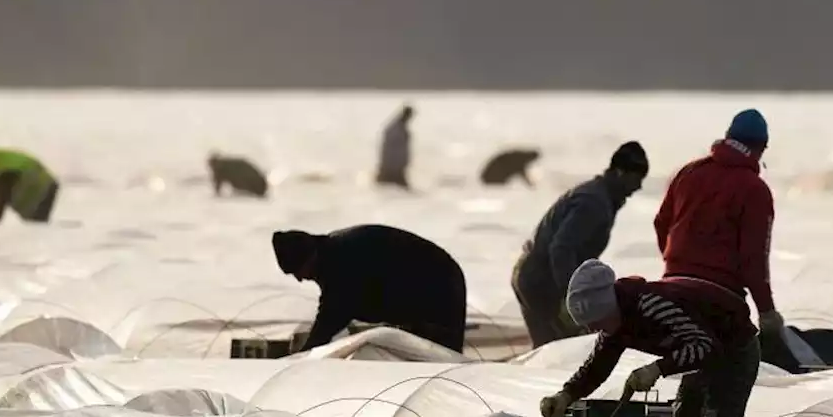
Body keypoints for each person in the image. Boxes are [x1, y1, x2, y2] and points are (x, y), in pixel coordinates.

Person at [538, 259, 760, 417]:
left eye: (598, 322)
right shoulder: (616, 323)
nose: (597, 330)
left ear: (609, 307)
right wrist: (566, 395)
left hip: (734, 351)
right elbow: (597, 367)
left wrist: (657, 369)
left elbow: (705, 346)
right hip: (701, 357)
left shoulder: (653, 306)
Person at [653, 109, 804, 370]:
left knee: (693, 363)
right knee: (739, 366)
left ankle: (688, 409)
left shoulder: (687, 173)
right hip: (719, 297)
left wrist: (677, 270)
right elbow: (753, 259)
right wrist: (766, 311)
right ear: (761, 148)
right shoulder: (754, 189)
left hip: (672, 289)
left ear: (727, 138)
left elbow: (660, 224)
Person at [511, 142, 649, 348]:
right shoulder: (593, 203)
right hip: (541, 282)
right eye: (636, 179)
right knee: (565, 351)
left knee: (547, 349)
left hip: (530, 276)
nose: (638, 187)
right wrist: (571, 297)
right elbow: (561, 248)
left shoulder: (599, 197)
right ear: (620, 173)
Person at [271, 224, 467, 353]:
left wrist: (304, 356)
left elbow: (332, 315)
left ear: (309, 258)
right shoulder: (330, 253)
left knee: (439, 359)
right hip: (424, 285)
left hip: (438, 283)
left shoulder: (341, 260)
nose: (299, 279)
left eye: (297, 271)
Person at [0, 149, 60, 223]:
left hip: (43, 187)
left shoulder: (0, 173)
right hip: (45, 184)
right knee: (34, 223)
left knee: (37, 226)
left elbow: (2, 198)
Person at [376, 105, 414, 189]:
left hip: (397, 168)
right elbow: (389, 150)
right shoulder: (395, 130)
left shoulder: (399, 129)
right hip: (392, 168)